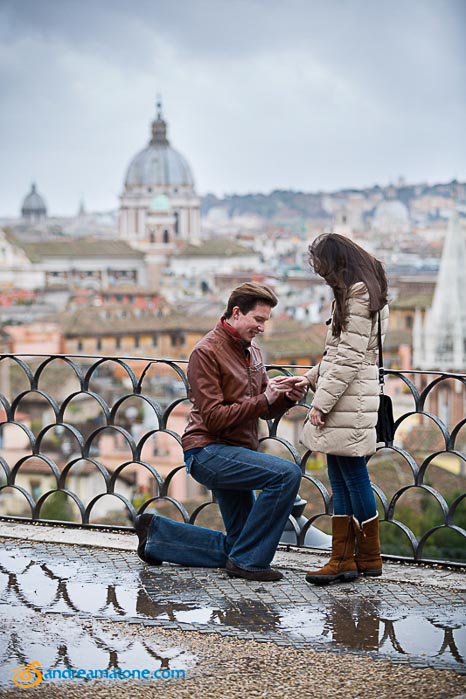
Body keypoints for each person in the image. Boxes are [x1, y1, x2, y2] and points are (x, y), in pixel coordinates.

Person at [134, 282, 308, 582]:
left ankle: (157, 536)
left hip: (237, 453)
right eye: (259, 320)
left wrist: (286, 397)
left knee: (240, 544)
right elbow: (213, 418)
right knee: (286, 474)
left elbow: (263, 409)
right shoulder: (206, 352)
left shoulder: (253, 352)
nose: (262, 328)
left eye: (265, 321)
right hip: (208, 451)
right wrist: (264, 399)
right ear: (237, 313)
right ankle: (249, 564)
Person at [300, 233, 389, 586]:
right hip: (346, 393)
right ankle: (345, 558)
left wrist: (320, 403)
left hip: (348, 397)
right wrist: (308, 379)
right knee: (339, 472)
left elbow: (351, 356)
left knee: (352, 474)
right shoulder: (359, 289)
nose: (322, 275)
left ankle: (364, 556)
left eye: (323, 267)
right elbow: (337, 351)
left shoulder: (358, 293)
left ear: (337, 262)